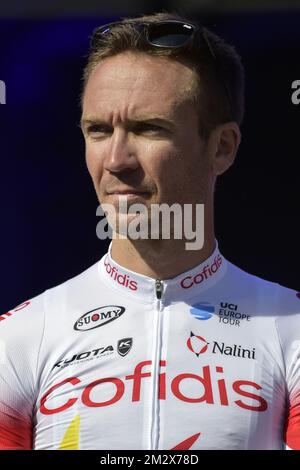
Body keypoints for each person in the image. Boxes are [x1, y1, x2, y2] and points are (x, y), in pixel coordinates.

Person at [0, 12, 299, 451]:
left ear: (222, 147)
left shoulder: (291, 328)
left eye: (148, 129)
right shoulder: (19, 336)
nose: (116, 160)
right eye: (98, 130)